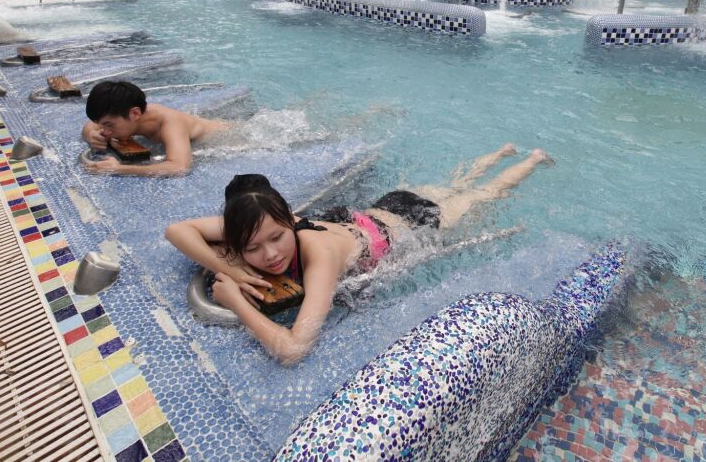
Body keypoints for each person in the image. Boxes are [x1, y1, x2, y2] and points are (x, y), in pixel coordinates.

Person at [164, 144, 553, 364]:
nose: (270, 255)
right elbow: (176, 230)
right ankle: (498, 153)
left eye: (278, 237)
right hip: (379, 210)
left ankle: (531, 159)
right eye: (251, 248)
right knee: (457, 185)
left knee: (484, 193)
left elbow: (294, 349)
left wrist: (236, 301)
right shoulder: (263, 220)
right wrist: (229, 267)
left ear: (288, 218)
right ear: (237, 241)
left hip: (413, 221)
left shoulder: (318, 255)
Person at [81, 80, 229, 176]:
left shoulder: (171, 123)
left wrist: (119, 169)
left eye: (109, 125)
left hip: (226, 137)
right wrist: (91, 134)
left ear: (135, 114)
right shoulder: (126, 113)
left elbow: (179, 167)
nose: (105, 132)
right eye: (103, 125)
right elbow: (91, 125)